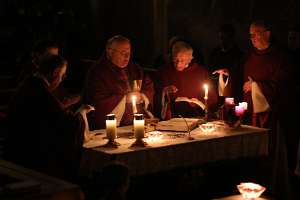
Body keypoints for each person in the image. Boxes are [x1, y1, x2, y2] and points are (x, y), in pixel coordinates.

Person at [4, 54, 94, 182]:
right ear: (55, 72)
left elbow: (52, 113)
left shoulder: (30, 84)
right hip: (31, 156)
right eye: (62, 75)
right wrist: (81, 113)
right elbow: (65, 123)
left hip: (17, 148)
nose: (63, 79)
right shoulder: (40, 90)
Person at [82, 35, 154, 130]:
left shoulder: (135, 68)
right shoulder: (98, 72)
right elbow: (97, 101)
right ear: (110, 51)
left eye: (129, 52)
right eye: (123, 53)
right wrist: (124, 99)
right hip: (111, 127)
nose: (127, 56)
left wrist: (142, 96)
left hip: (137, 122)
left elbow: (148, 86)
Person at [156, 41, 218, 120]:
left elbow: (212, 98)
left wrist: (198, 103)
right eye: (175, 60)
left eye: (182, 60)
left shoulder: (201, 72)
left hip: (195, 117)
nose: (178, 64)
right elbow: (155, 95)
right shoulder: (163, 71)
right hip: (171, 118)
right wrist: (164, 92)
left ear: (190, 58)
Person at [208, 23, 244, 104]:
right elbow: (210, 71)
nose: (223, 41)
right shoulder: (215, 53)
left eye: (226, 38)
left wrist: (229, 73)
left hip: (233, 95)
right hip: (216, 94)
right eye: (221, 38)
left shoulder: (239, 55)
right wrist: (215, 74)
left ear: (232, 38)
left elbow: (240, 76)